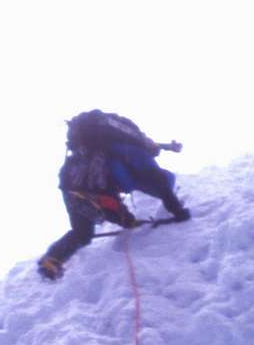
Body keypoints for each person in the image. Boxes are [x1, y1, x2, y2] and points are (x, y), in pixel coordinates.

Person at [37, 110, 190, 281]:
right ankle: (52, 262)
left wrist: (128, 221)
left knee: (82, 233)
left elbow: (111, 198)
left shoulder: (93, 148)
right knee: (163, 180)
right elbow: (156, 178)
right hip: (96, 189)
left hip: (71, 186)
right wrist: (178, 211)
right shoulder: (133, 147)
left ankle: (51, 261)